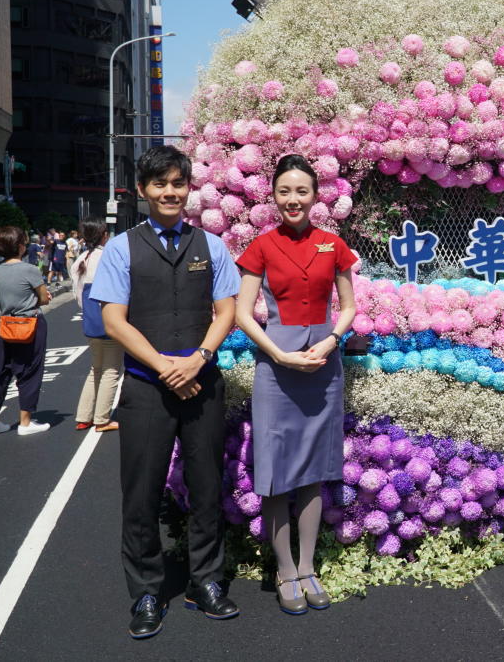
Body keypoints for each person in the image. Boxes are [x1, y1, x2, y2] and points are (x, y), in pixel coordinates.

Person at [91, 145, 241, 639]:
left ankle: (207, 582)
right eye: (160, 184)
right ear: (143, 190)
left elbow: (226, 312)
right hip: (143, 388)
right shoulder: (121, 248)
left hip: (202, 382)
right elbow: (113, 318)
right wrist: (162, 366)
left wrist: (197, 359)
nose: (170, 192)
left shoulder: (212, 246)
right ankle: (148, 592)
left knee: (206, 487)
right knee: (141, 493)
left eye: (178, 183)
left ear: (188, 187)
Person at [234, 154, 357, 615]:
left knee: (312, 471)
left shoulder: (333, 244)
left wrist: (330, 342)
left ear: (315, 196)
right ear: (273, 195)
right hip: (276, 366)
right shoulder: (261, 247)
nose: (293, 199)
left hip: (323, 364)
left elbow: (347, 306)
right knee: (276, 472)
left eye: (301, 191)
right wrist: (279, 353)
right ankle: (285, 569)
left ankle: (308, 568)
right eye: (284, 191)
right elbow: (244, 312)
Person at [0, 225, 52, 436]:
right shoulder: (29, 269)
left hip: (5, 324)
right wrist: (43, 297)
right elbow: (42, 297)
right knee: (30, 370)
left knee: (0, 371)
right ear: (21, 246)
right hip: (29, 323)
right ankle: (25, 422)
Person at [72, 218, 121, 432]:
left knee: (96, 369)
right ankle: (102, 419)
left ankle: (84, 416)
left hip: (90, 322)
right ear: (103, 235)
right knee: (111, 370)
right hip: (110, 321)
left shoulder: (80, 259)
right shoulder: (108, 257)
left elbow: (77, 295)